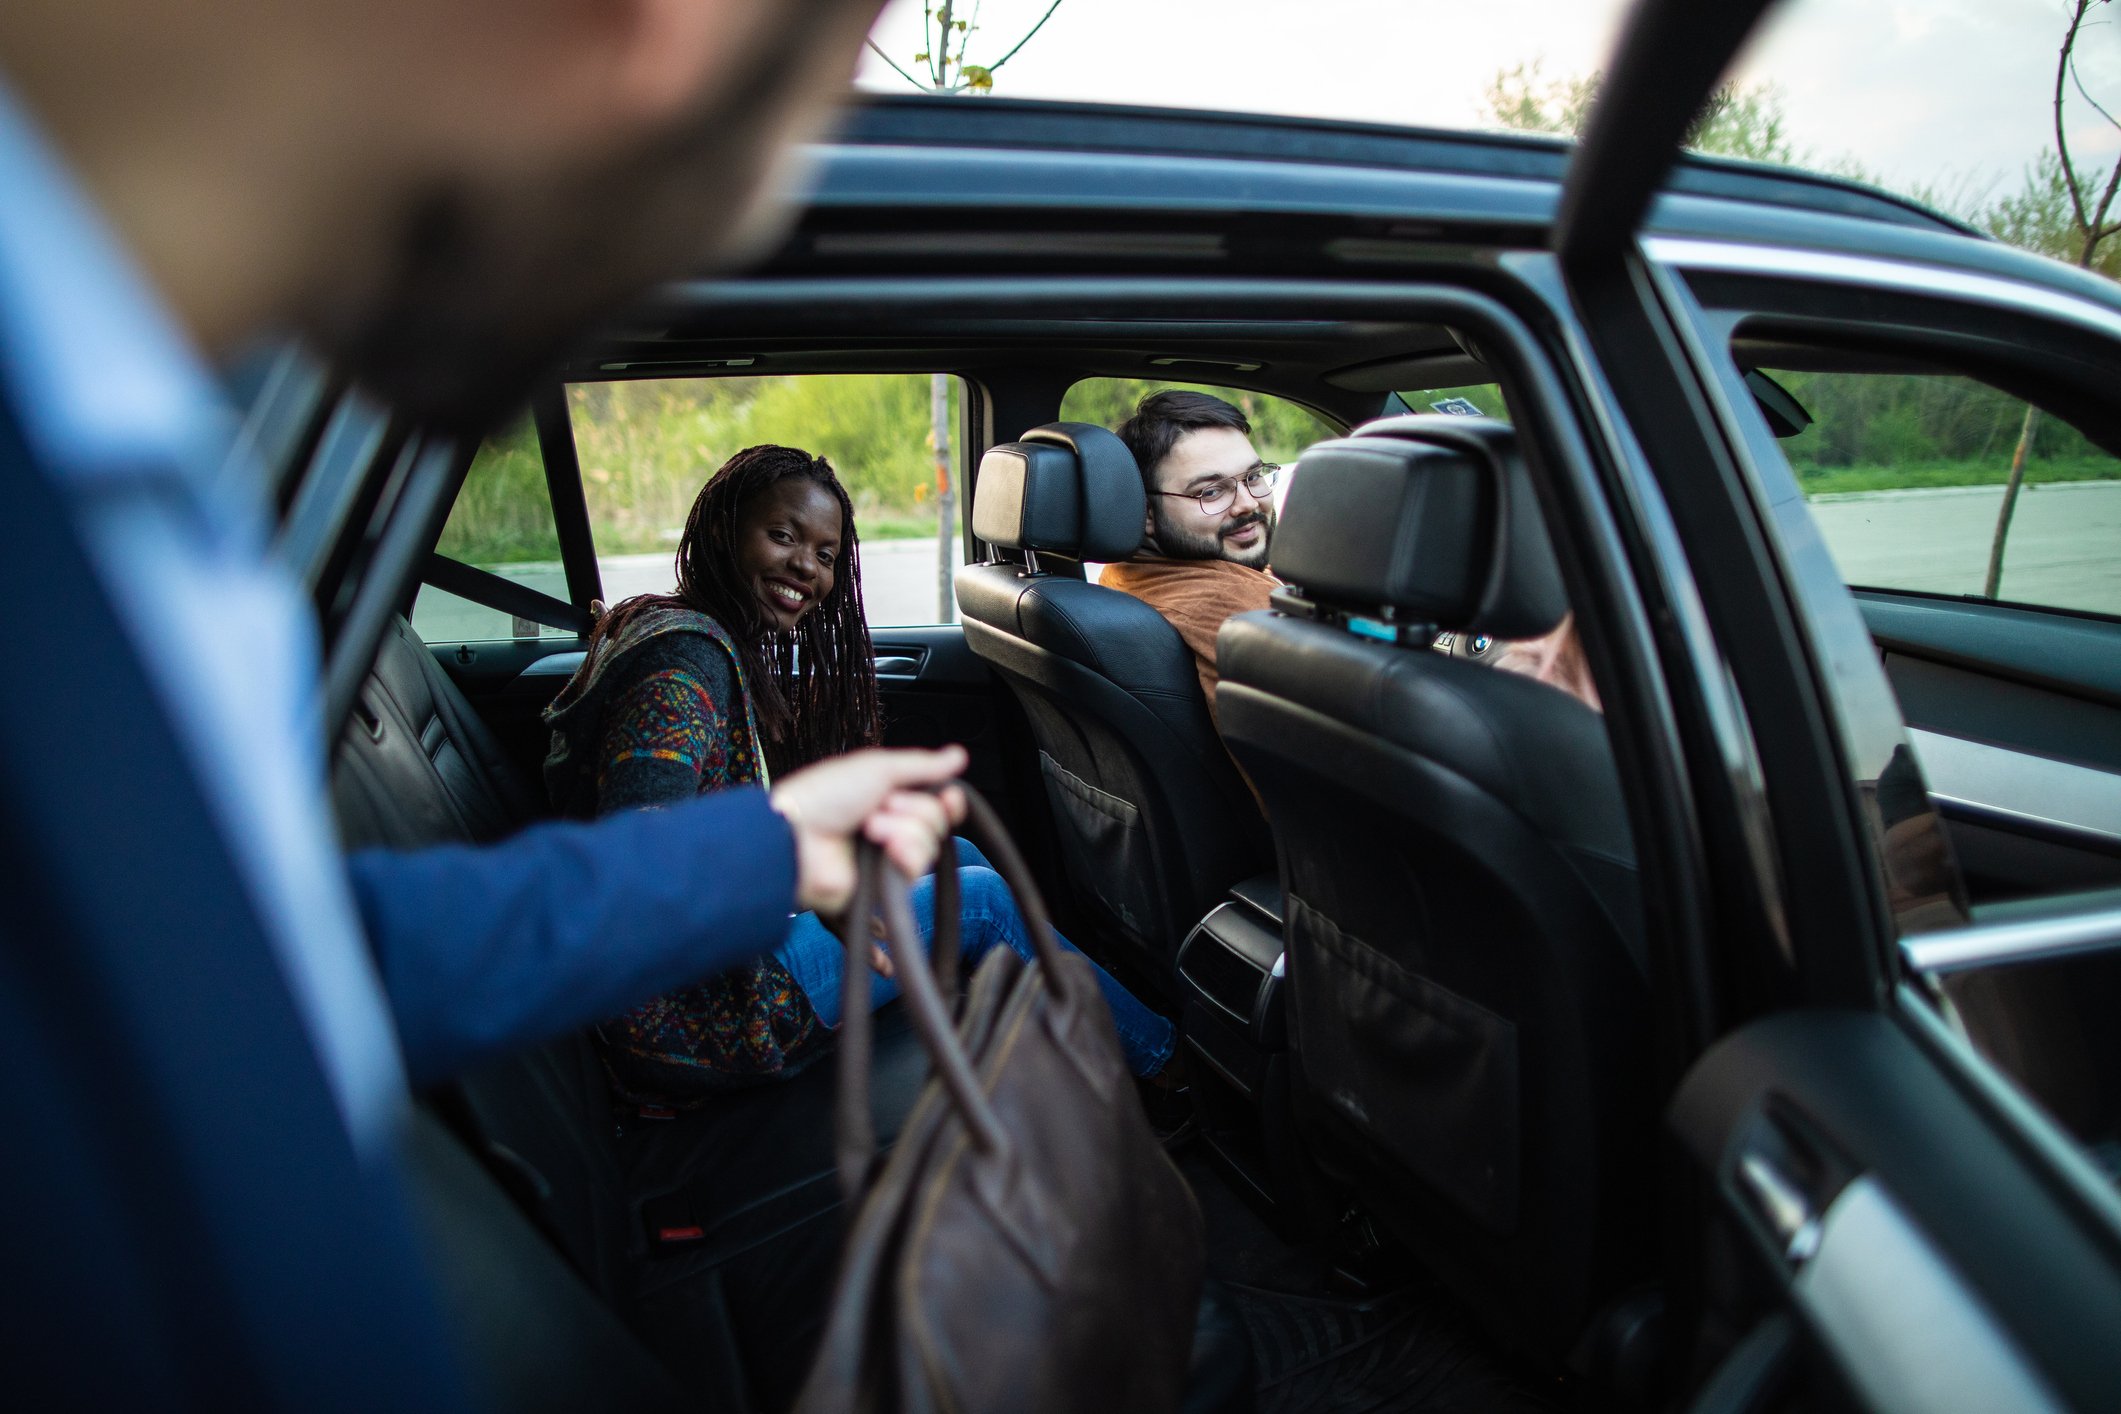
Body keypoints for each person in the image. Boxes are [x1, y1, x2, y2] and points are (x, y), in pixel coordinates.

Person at [0, 1, 954, 1400]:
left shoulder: (163, 524)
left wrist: (762, 848)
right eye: (833, 70)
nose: (753, 208)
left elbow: (297, 967)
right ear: (674, 29)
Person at [544, 445, 1176, 1096]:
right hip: (691, 1012)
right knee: (983, 902)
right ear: (721, 529)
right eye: (782, 536)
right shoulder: (684, 664)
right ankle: (1167, 1067)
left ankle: (1064, 1060)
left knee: (949, 853)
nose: (806, 567)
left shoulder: (682, 629)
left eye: (825, 555)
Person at [1100, 391, 1283, 725]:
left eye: (1254, 476)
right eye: (1209, 492)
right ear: (1146, 513)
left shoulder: (1124, 575)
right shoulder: (1237, 607)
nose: (1248, 504)